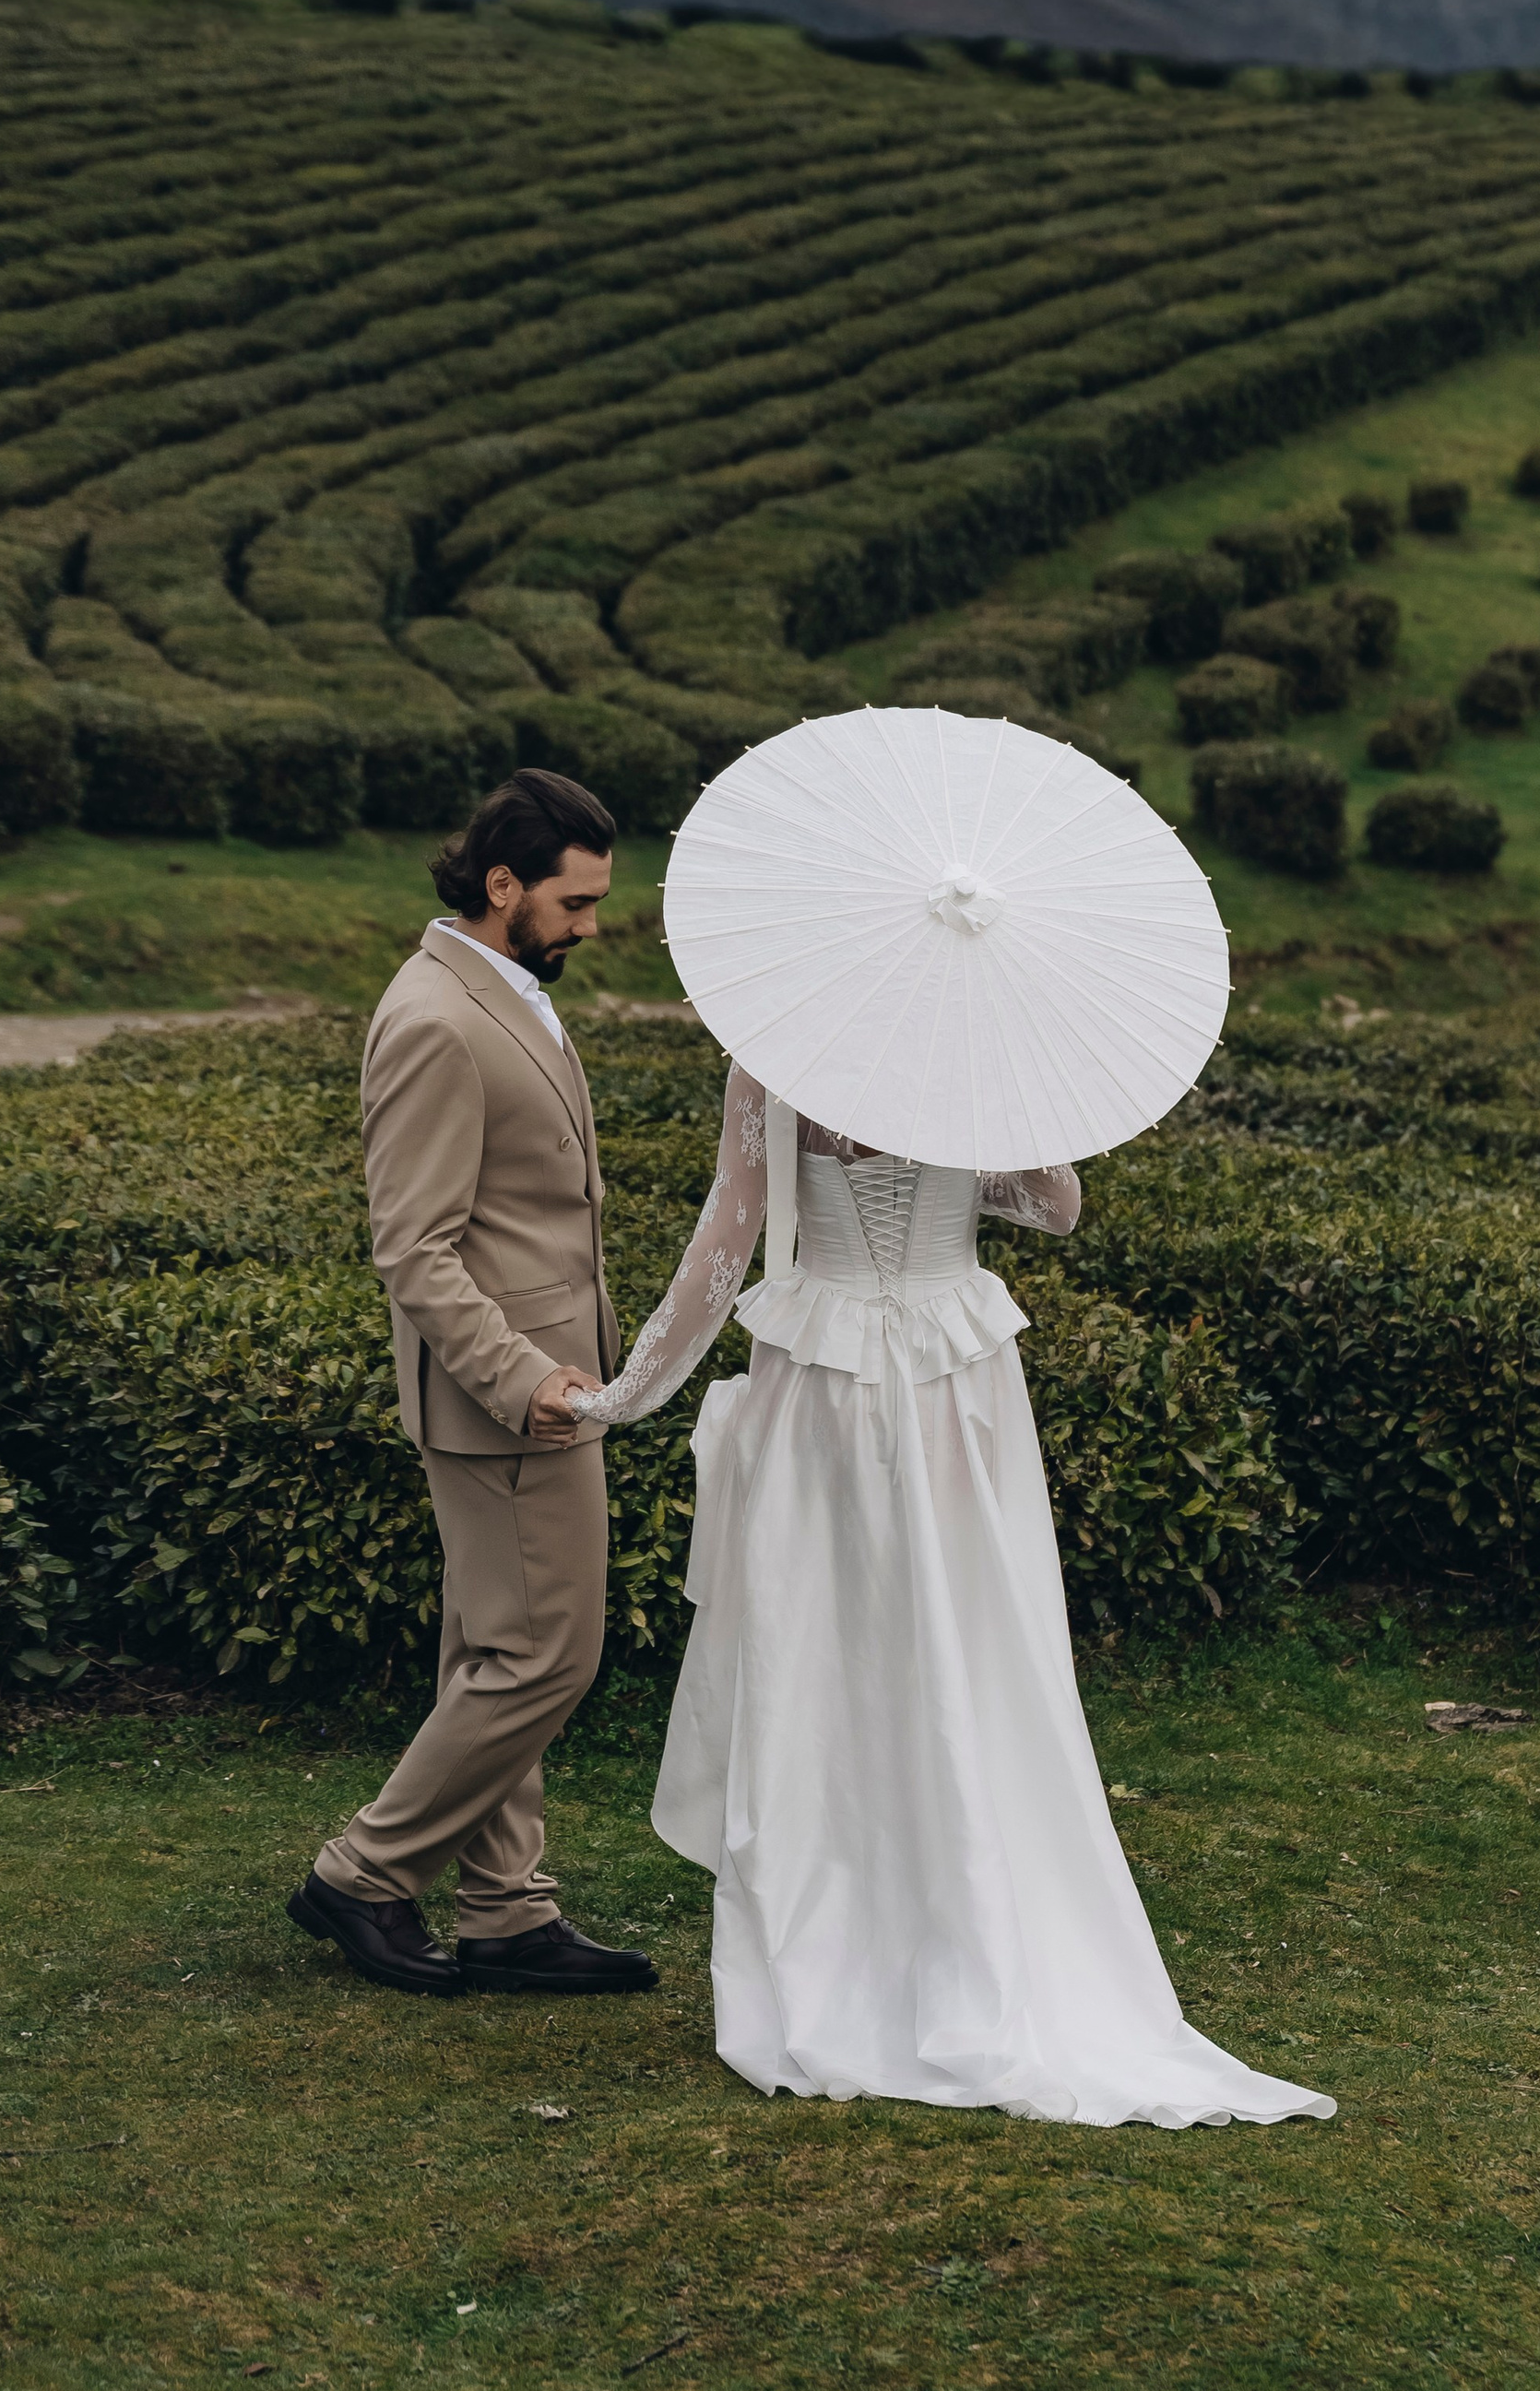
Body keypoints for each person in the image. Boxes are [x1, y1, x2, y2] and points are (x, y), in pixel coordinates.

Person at [553, 1064, 1333, 2129]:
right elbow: (1055, 1207)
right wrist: (982, 1120)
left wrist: (624, 1398)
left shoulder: (778, 1053)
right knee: (969, 1642)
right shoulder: (965, 1046)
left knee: (822, 1654)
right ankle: (961, 1920)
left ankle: (829, 1951)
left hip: (825, 1372)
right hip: (953, 1370)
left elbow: (724, 1239)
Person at [285, 769, 657, 2004]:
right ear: (504, 885)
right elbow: (414, 1246)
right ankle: (363, 1874)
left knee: (493, 1649)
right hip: (512, 1397)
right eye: (576, 900)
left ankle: (506, 1911)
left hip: (555, 1380)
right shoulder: (436, 1018)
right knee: (547, 1656)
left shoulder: (506, 990)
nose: (592, 925)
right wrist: (525, 1377)